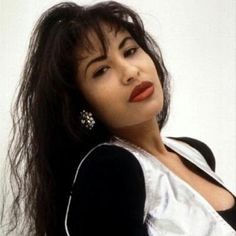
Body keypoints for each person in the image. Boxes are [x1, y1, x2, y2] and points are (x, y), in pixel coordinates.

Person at [1, 1, 235, 236]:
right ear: (81, 102)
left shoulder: (195, 152)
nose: (130, 72)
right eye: (101, 70)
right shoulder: (110, 170)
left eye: (130, 51)